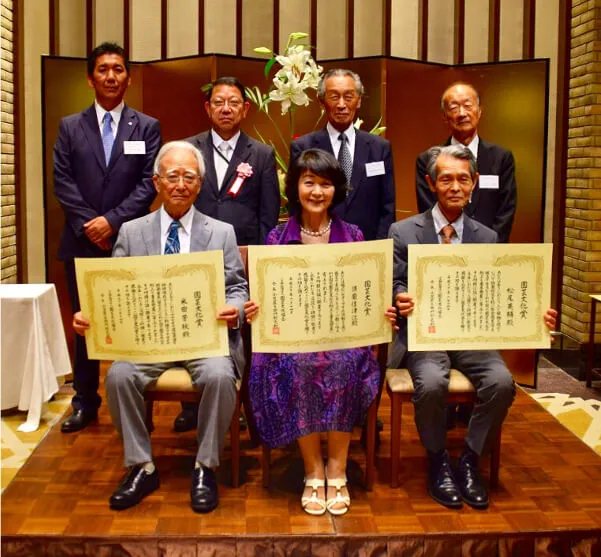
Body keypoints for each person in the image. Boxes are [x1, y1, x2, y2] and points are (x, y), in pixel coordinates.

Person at [72, 141, 248, 513]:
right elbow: (111, 289)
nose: (180, 184)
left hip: (203, 340)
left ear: (200, 184)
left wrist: (234, 309)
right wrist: (91, 316)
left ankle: (205, 466)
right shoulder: (132, 232)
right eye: (172, 176)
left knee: (219, 376)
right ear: (156, 182)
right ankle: (142, 465)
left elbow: (237, 286)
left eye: (189, 177)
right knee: (119, 376)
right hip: (148, 342)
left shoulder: (221, 232)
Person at [389, 145, 557, 510]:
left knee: (501, 383)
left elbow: (500, 293)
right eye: (446, 178)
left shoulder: (487, 237)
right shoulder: (403, 231)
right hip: (425, 335)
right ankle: (437, 462)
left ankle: (468, 459)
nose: (454, 186)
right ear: (431, 183)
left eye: (463, 179)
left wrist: (534, 318)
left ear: (474, 183)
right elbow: (395, 282)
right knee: (432, 383)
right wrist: (401, 297)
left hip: (471, 336)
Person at [244, 148, 398, 516]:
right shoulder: (276, 239)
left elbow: (368, 294)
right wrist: (256, 308)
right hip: (293, 343)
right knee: (300, 366)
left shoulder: (355, 236)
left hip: (344, 340)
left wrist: (382, 310)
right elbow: (268, 298)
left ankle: (337, 468)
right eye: (308, 182)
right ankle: (313, 470)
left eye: (325, 184)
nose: (316, 191)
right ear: (295, 187)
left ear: (336, 190)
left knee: (343, 365)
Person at [54, 42, 161, 433]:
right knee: (85, 326)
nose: (111, 76)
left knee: (132, 323)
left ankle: (135, 401)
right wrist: (91, 224)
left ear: (128, 78)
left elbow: (150, 184)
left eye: (118, 69)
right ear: (90, 78)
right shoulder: (70, 126)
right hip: (81, 242)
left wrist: (112, 222)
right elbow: (62, 182)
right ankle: (85, 401)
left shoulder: (147, 126)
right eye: (103, 69)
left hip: (131, 240)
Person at [180, 77, 280, 433]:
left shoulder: (262, 154)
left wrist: (261, 260)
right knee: (192, 320)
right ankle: (191, 406)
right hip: (195, 256)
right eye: (218, 102)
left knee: (240, 332)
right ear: (207, 108)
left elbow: (269, 214)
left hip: (244, 258)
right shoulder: (188, 150)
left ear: (245, 109)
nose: (226, 108)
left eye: (233, 102)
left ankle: (244, 403)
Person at [290, 69, 395, 241]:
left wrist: (381, 247)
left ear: (358, 101)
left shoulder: (379, 148)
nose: (341, 104)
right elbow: (296, 202)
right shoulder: (303, 147)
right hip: (320, 244)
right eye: (333, 97)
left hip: (369, 245)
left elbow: (388, 206)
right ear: (322, 101)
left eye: (348, 97)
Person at [415, 82, 517, 243]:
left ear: (479, 111)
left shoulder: (501, 157)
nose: (462, 113)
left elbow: (506, 211)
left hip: (488, 250)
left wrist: (491, 245)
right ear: (444, 116)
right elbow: (428, 207)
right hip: (443, 246)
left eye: (468, 105)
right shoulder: (427, 159)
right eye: (454, 107)